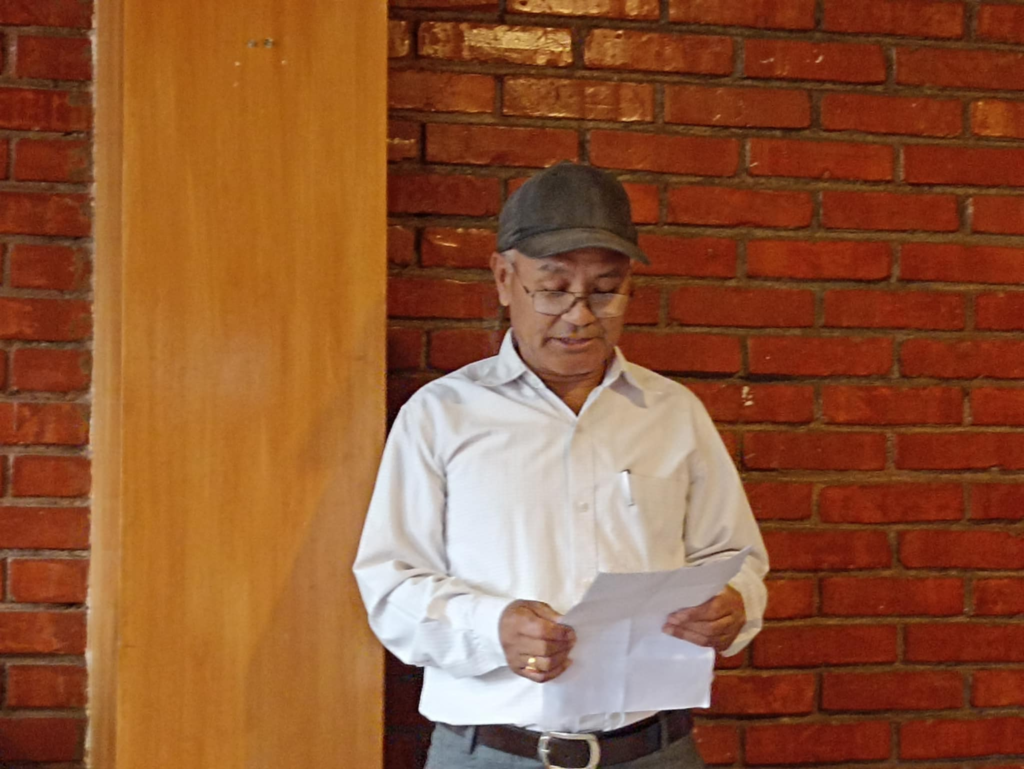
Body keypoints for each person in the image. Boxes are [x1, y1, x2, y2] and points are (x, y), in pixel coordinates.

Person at [354, 161, 769, 769]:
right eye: (553, 289)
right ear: (504, 278)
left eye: (605, 289)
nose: (580, 315)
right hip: (492, 754)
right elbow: (390, 585)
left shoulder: (673, 413)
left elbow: (738, 558)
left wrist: (735, 604)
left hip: (654, 751)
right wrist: (492, 627)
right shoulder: (441, 416)